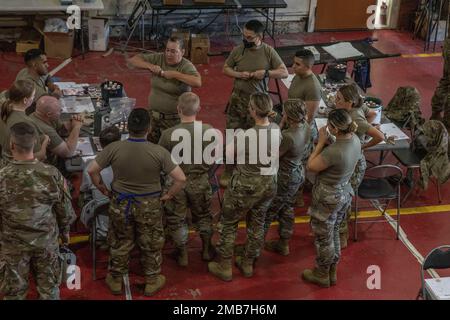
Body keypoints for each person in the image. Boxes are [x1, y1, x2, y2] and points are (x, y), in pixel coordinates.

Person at [88, 108, 186, 297]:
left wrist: (101, 187)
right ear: (148, 128)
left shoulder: (114, 148)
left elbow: (92, 170)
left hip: (121, 203)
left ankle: (116, 279)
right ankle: (151, 280)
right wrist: (169, 195)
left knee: (120, 241)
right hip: (149, 204)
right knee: (150, 242)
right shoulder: (159, 152)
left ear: (129, 128)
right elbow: (180, 179)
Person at [208, 93, 280, 281]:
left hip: (245, 185)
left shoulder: (245, 136)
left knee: (229, 223)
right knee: (257, 222)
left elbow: (229, 157)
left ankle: (224, 265)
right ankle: (247, 262)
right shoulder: (276, 129)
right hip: (268, 184)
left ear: (253, 111)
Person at [0, 122, 75, 300]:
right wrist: (65, 232)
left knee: (14, 294)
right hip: (46, 242)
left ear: (12, 144)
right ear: (34, 143)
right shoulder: (51, 173)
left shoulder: (2, 176)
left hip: (12, 245)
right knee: (49, 291)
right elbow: (64, 209)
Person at [219, 19, 288, 187]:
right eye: (244, 36)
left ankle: (247, 169)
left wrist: (265, 73)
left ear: (260, 36)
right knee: (232, 135)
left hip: (257, 103)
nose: (245, 40)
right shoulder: (239, 50)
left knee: (255, 138)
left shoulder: (268, 52)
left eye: (249, 37)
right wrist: (237, 74)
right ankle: (229, 169)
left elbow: (284, 72)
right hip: (237, 99)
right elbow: (225, 68)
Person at [302, 109, 361, 288]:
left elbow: (311, 166)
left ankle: (321, 273)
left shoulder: (334, 151)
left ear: (335, 129)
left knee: (323, 237)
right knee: (333, 231)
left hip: (328, 196)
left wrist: (320, 143)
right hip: (344, 192)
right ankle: (332, 270)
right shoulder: (356, 140)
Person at [159, 92, 218, 266]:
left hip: (176, 183)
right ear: (198, 109)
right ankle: (207, 249)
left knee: (177, 219)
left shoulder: (168, 134)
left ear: (178, 109)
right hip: (200, 180)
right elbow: (213, 157)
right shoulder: (209, 130)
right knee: (204, 216)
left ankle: (183, 254)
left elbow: (162, 160)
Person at [335, 85, 384, 248]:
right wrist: (360, 136)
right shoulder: (358, 105)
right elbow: (373, 113)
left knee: (345, 197)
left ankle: (342, 234)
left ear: (349, 103)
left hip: (354, 163)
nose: (335, 101)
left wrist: (362, 146)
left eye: (339, 100)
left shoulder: (355, 117)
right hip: (349, 157)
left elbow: (379, 136)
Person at [127, 36, 202, 143]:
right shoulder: (159, 58)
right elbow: (133, 61)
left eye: (173, 51)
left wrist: (176, 75)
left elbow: (197, 82)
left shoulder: (186, 66)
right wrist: (150, 66)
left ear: (182, 52)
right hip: (153, 118)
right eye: (167, 50)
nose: (168, 54)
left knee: (171, 150)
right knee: (151, 148)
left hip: (172, 121)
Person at [263, 99, 309, 256]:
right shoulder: (306, 127)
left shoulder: (289, 136)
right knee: (287, 208)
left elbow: (273, 155)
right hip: (297, 172)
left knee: (268, 211)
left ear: (289, 117)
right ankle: (283, 242)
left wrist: (279, 125)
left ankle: (254, 247)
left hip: (285, 177)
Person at [288, 49, 323, 207]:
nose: (293, 66)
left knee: (299, 164)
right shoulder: (298, 76)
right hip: (292, 125)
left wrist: (296, 136)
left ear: (308, 66)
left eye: (297, 64)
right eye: (294, 62)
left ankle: (298, 195)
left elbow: (308, 117)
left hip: (302, 131)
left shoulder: (312, 87)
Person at [80, 126, 121, 241]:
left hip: (103, 230)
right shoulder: (132, 164)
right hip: (129, 226)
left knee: (84, 194)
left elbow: (84, 189)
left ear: (100, 144)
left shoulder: (91, 167)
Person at [0, 80, 49, 165]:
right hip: (17, 166)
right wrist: (45, 141)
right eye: (33, 96)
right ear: (25, 100)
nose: (34, 99)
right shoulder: (26, 124)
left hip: (5, 160)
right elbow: (40, 156)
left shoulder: (4, 109)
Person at [30, 95, 84, 162]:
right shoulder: (45, 129)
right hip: (46, 163)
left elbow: (61, 130)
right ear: (49, 114)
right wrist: (77, 127)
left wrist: (72, 123)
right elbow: (68, 152)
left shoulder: (40, 115)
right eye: (59, 111)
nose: (61, 112)